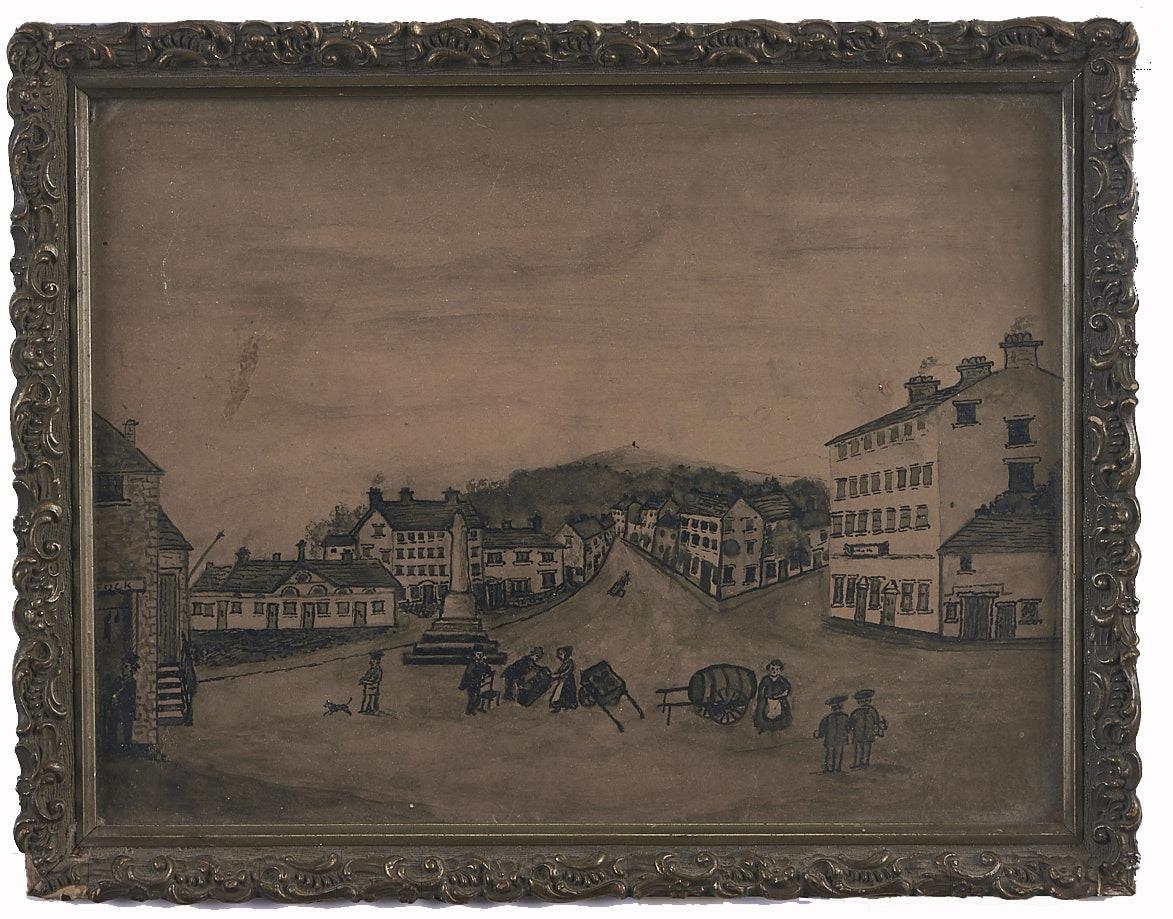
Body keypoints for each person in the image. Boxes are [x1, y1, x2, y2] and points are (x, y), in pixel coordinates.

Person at [849, 689, 887, 768]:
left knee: (860, 748)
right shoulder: (873, 711)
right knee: (866, 747)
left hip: (860, 733)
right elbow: (876, 721)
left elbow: (851, 723)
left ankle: (859, 763)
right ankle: (864, 763)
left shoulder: (856, 712)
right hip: (867, 733)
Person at [753, 659, 792, 733]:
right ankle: (764, 727)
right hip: (766, 700)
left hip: (779, 700)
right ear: (769, 669)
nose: (774, 671)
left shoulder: (782, 681)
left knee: (780, 714)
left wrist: (778, 696)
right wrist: (760, 700)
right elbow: (761, 691)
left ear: (780, 671)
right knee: (763, 712)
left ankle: (777, 728)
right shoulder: (765, 680)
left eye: (777, 669)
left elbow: (787, 690)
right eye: (773, 669)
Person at [815, 695, 851, 773]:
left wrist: (819, 735)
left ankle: (829, 768)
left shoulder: (827, 717)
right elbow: (849, 727)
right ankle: (837, 768)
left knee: (830, 754)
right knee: (838, 753)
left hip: (830, 739)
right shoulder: (845, 716)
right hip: (841, 739)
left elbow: (823, 729)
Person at [458, 650, 494, 716]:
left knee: (476, 696)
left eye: (481, 654)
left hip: (477, 683)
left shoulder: (483, 664)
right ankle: (469, 710)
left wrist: (489, 672)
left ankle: (472, 709)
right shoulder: (472, 664)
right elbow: (468, 674)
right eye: (478, 654)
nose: (480, 656)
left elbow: (488, 670)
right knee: (472, 697)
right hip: (471, 683)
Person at [549, 646, 579, 713]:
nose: (559, 656)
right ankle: (559, 705)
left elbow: (567, 672)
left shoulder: (570, 662)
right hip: (563, 681)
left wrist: (558, 675)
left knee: (566, 693)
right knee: (561, 693)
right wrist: (554, 675)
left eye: (561, 654)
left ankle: (566, 705)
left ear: (566, 654)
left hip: (568, 681)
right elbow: (561, 671)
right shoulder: (565, 663)